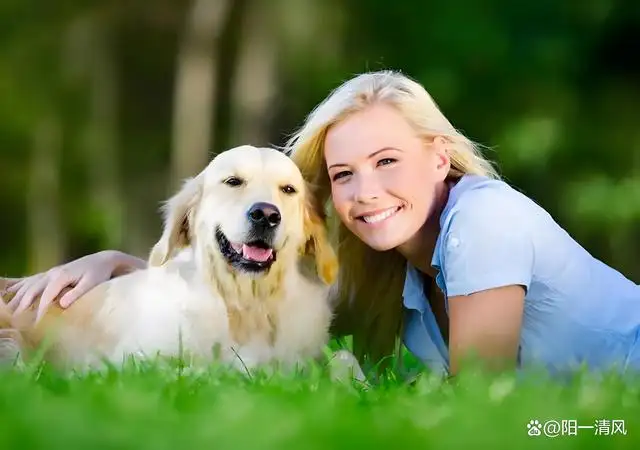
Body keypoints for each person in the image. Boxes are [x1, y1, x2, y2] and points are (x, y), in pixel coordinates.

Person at [3, 70, 640, 379]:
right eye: (343, 175)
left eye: (387, 162)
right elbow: (244, 296)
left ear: (439, 157)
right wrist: (118, 265)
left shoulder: (485, 221)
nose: (366, 193)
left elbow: (490, 410)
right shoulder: (397, 274)